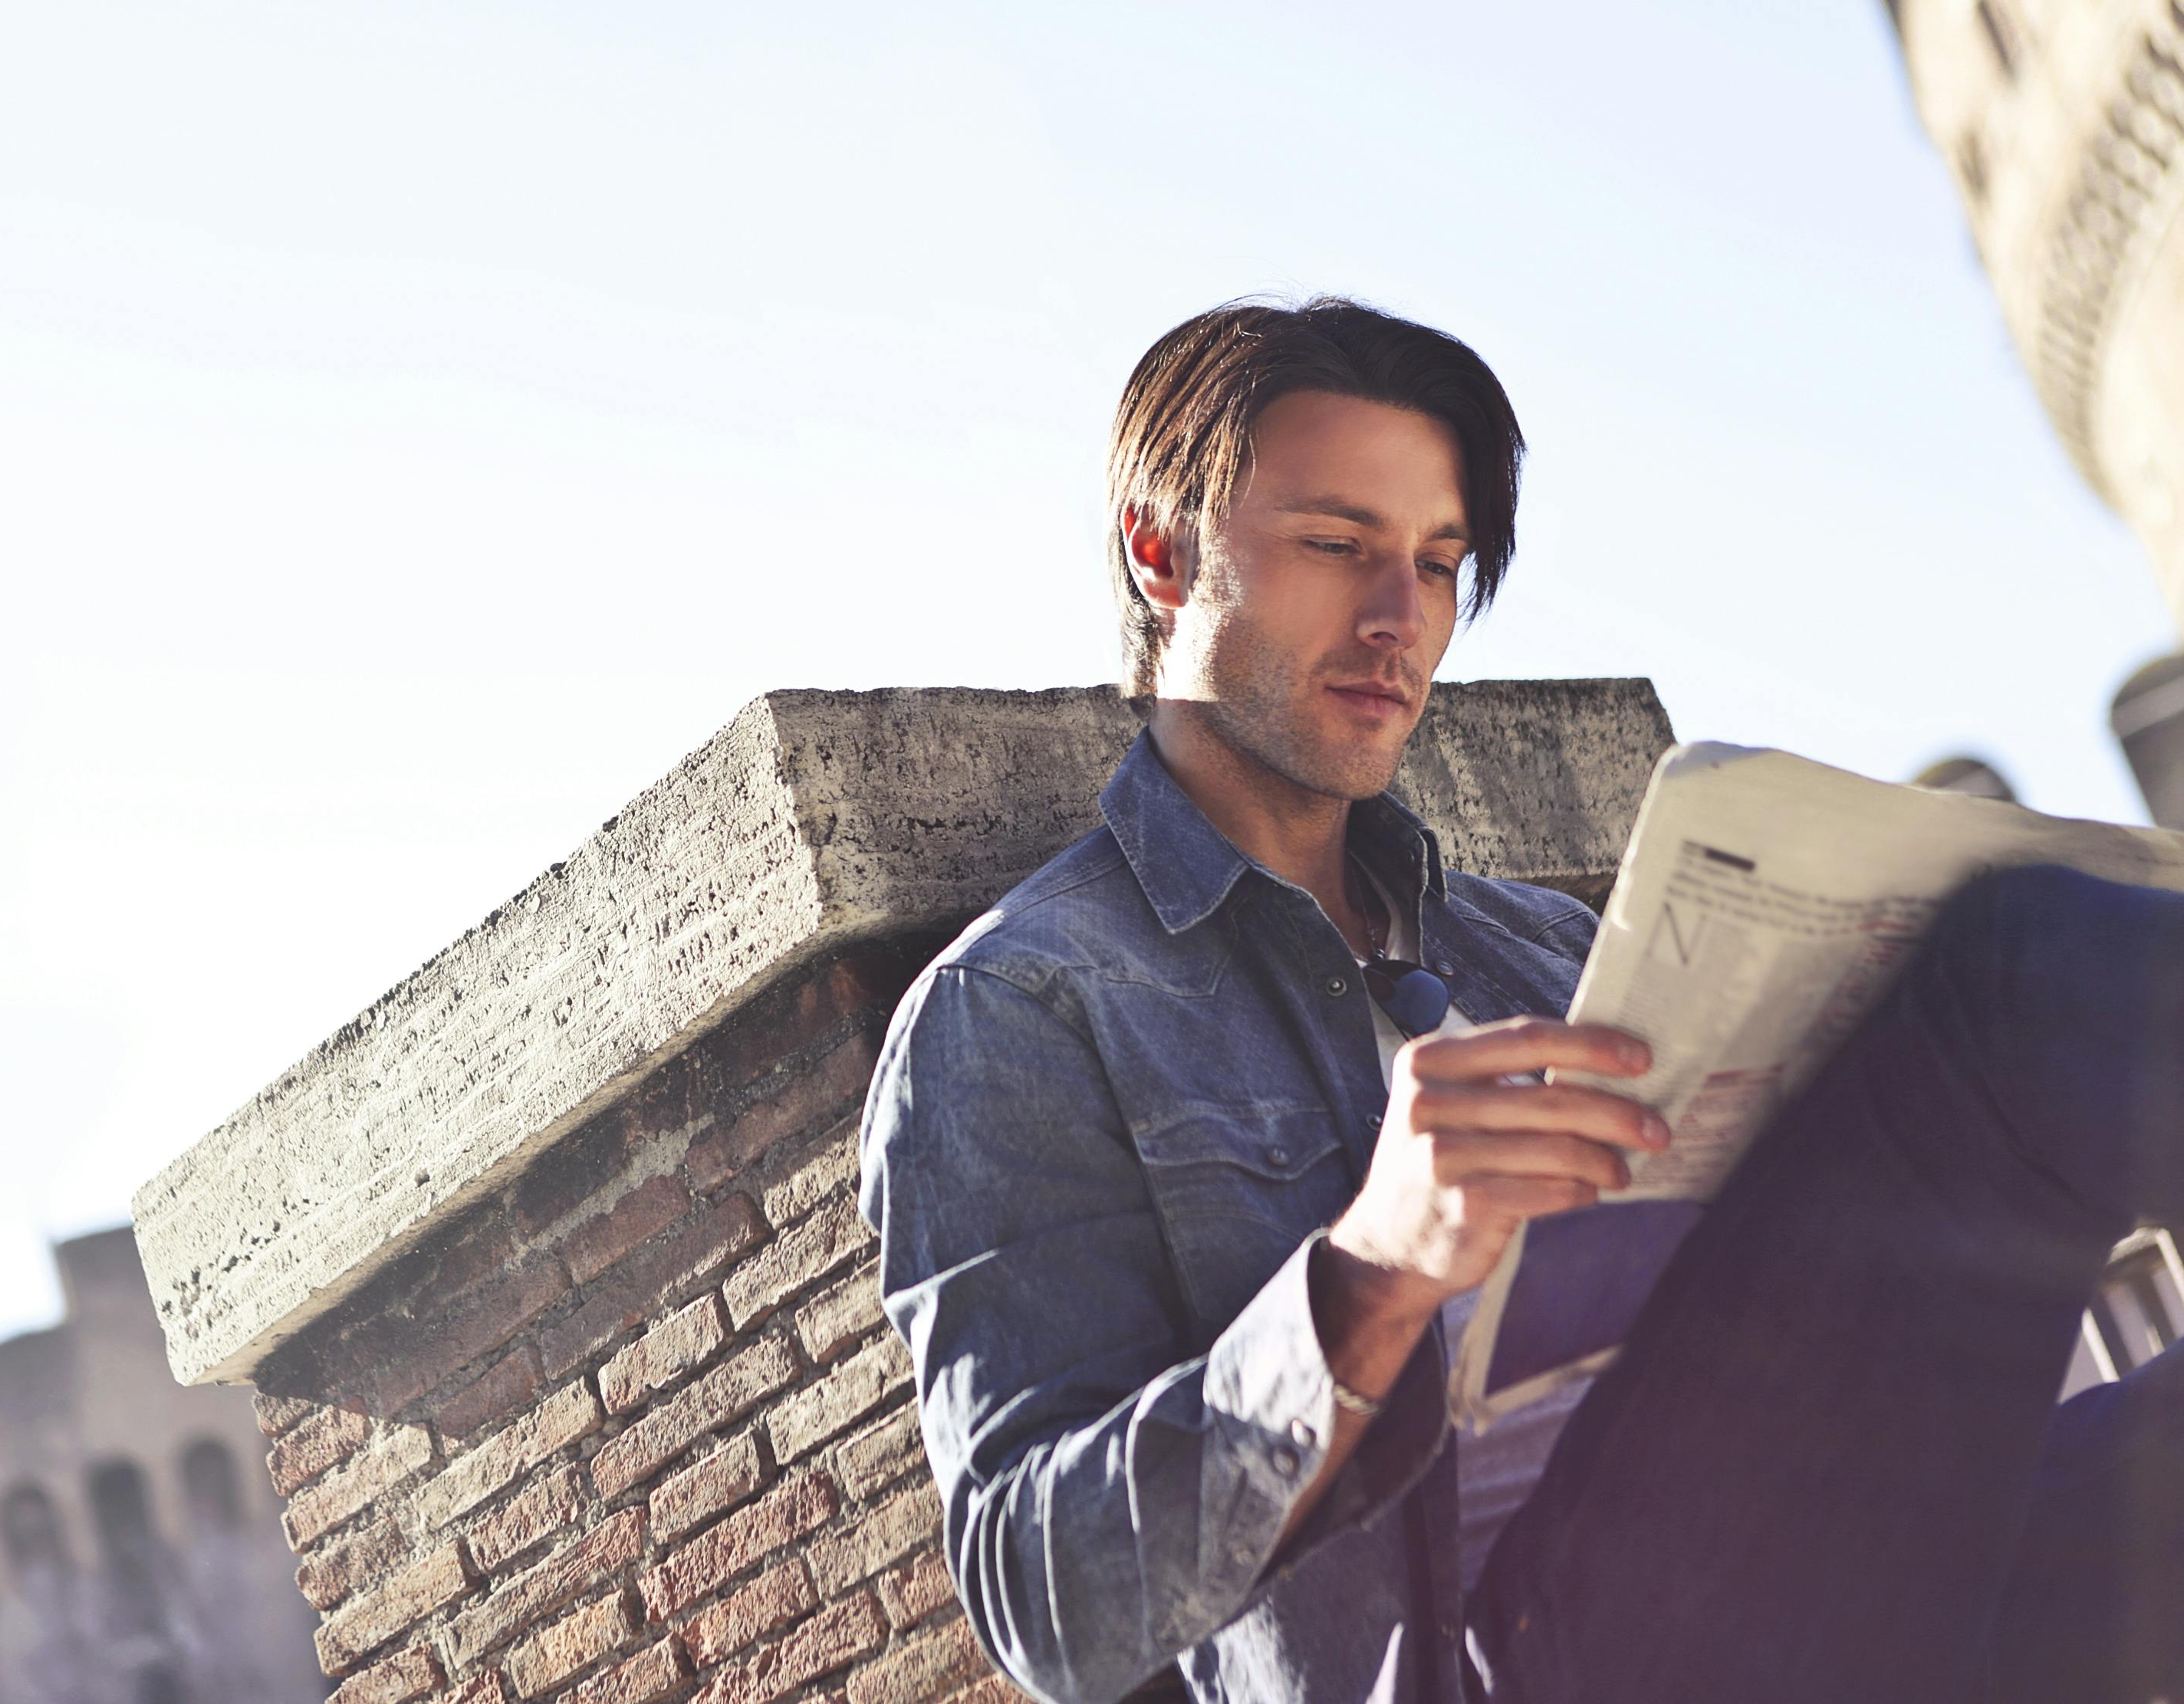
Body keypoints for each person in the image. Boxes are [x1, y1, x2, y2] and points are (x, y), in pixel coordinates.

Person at [856, 296, 2184, 1704]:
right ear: (1161, 551)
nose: (1398, 618)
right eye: (1336, 546)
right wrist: (1368, 1274)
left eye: (1436, 562)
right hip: (1504, 1660)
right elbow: (1042, 1596)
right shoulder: (1015, 1010)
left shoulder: (1538, 947)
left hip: (1819, 1562)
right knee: (2009, 962)